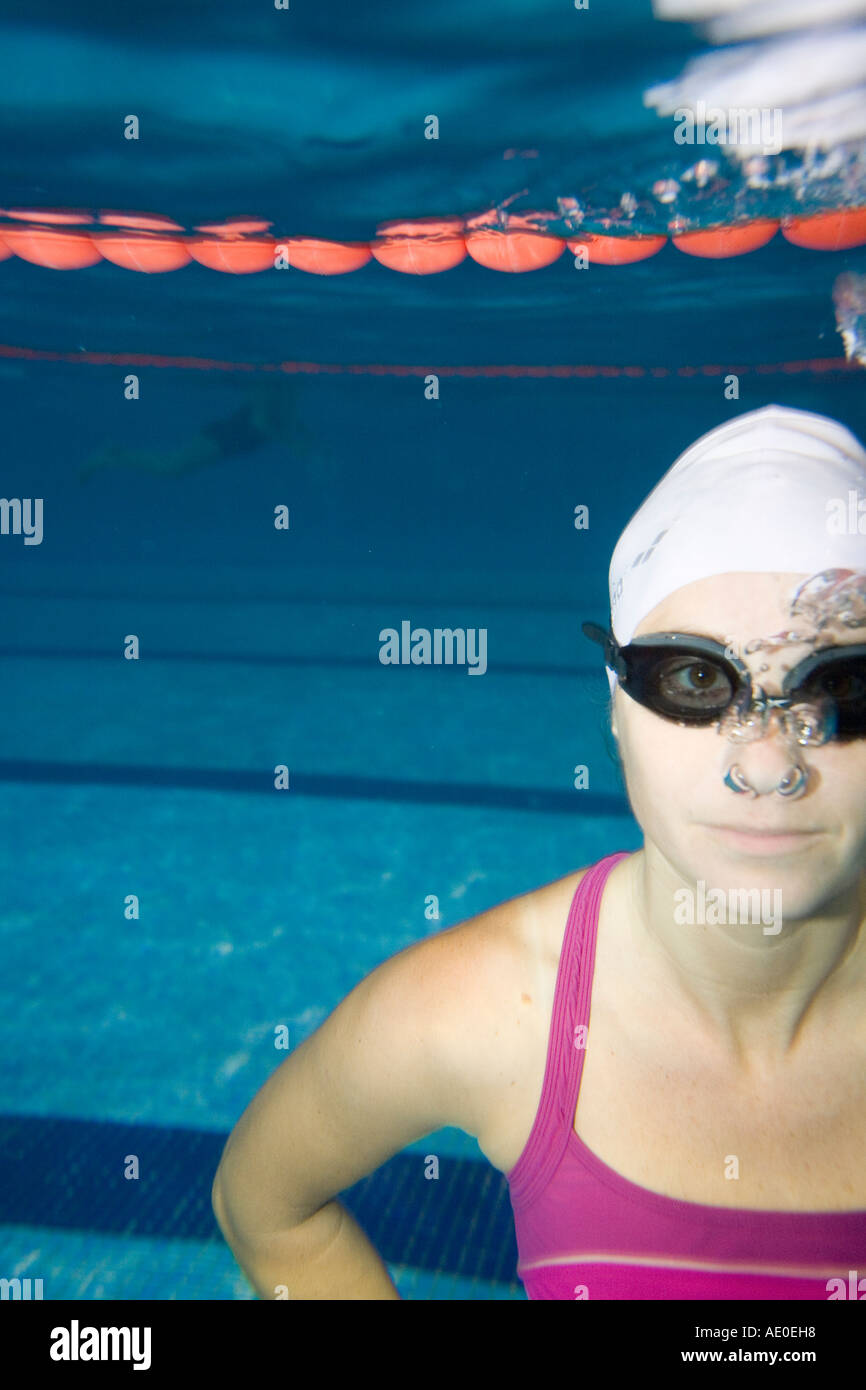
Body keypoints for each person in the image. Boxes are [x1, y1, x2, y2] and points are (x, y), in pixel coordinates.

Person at [211, 403, 866, 1300]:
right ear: (615, 713)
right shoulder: (478, 1012)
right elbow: (266, 1209)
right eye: (696, 679)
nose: (766, 766)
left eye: (841, 685)